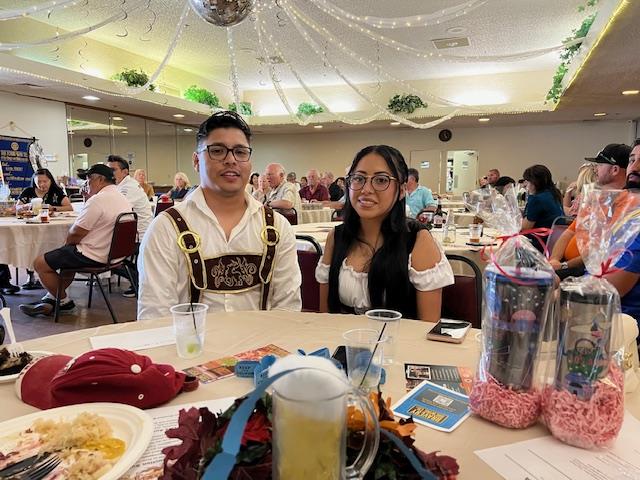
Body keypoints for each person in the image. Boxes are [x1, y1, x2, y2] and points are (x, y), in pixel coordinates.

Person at [137, 111, 301, 319]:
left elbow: (287, 309)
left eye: (240, 152)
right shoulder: (165, 229)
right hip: (189, 341)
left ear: (250, 161)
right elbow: (155, 317)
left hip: (265, 340)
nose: (231, 159)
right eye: (217, 151)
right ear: (196, 161)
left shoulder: (277, 227)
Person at [315, 145, 454, 321]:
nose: (366, 189)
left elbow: (427, 327)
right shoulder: (336, 237)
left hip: (403, 337)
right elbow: (325, 319)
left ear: (402, 190)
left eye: (381, 180)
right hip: (345, 338)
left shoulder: (417, 240)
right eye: (358, 178)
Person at [19, 164, 132, 317]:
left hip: (94, 254)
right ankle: (52, 298)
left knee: (40, 263)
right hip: (114, 254)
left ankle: (64, 302)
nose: (86, 184)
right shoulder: (121, 198)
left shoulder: (98, 200)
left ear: (99, 180)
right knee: (66, 259)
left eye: (88, 180)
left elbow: (75, 234)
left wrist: (67, 245)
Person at [550, 143, 630, 278]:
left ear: (615, 170)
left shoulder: (624, 206)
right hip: (566, 266)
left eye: (600, 164)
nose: (595, 169)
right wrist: (554, 259)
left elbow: (598, 251)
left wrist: (564, 266)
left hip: (584, 271)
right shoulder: (597, 199)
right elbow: (569, 232)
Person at [0, 169, 74, 292]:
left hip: (49, 229)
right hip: (28, 227)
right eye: (38, 181)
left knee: (45, 244)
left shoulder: (56, 192)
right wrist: (24, 207)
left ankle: (48, 275)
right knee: (27, 243)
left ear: (50, 181)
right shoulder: (28, 192)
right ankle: (30, 276)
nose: (42, 184)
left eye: (45, 181)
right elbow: (17, 208)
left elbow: (69, 207)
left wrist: (53, 208)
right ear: (34, 181)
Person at [604, 140, 640, 330]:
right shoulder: (627, 211)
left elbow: (612, 289)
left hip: (621, 326)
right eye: (632, 160)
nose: (635, 167)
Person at [106, 155, 153, 298]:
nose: (109, 173)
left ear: (125, 172)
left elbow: (114, 210)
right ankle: (136, 279)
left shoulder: (128, 188)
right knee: (102, 249)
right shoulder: (122, 186)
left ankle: (137, 280)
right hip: (133, 235)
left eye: (113, 170)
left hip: (139, 237)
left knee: (101, 254)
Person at [521, 164, 564, 231]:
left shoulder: (536, 199)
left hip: (541, 235)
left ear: (534, 182)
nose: (525, 185)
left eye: (527, 181)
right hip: (556, 235)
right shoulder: (555, 193)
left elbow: (525, 227)